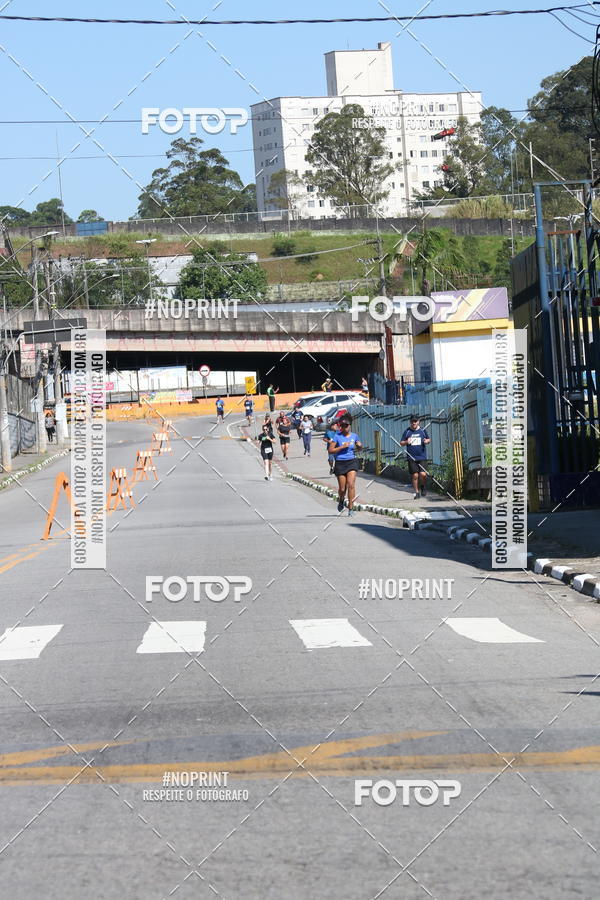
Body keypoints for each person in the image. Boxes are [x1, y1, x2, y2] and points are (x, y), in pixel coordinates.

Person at [328, 414, 362, 517]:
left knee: (351, 485)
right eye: (343, 426)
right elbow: (330, 450)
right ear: (340, 427)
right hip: (340, 462)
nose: (345, 427)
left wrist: (360, 446)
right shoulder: (337, 436)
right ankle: (341, 500)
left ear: (349, 426)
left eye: (346, 425)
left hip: (351, 461)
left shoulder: (354, 436)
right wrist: (341, 447)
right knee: (342, 489)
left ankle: (351, 508)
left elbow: (359, 447)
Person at [400, 414, 431, 499]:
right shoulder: (407, 431)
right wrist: (407, 442)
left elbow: (429, 439)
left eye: (415, 421)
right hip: (411, 457)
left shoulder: (422, 430)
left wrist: (426, 441)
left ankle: (423, 486)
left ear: (418, 422)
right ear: (410, 422)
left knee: (423, 474)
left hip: (422, 456)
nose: (414, 423)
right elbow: (401, 443)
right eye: (412, 422)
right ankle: (417, 492)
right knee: (415, 475)